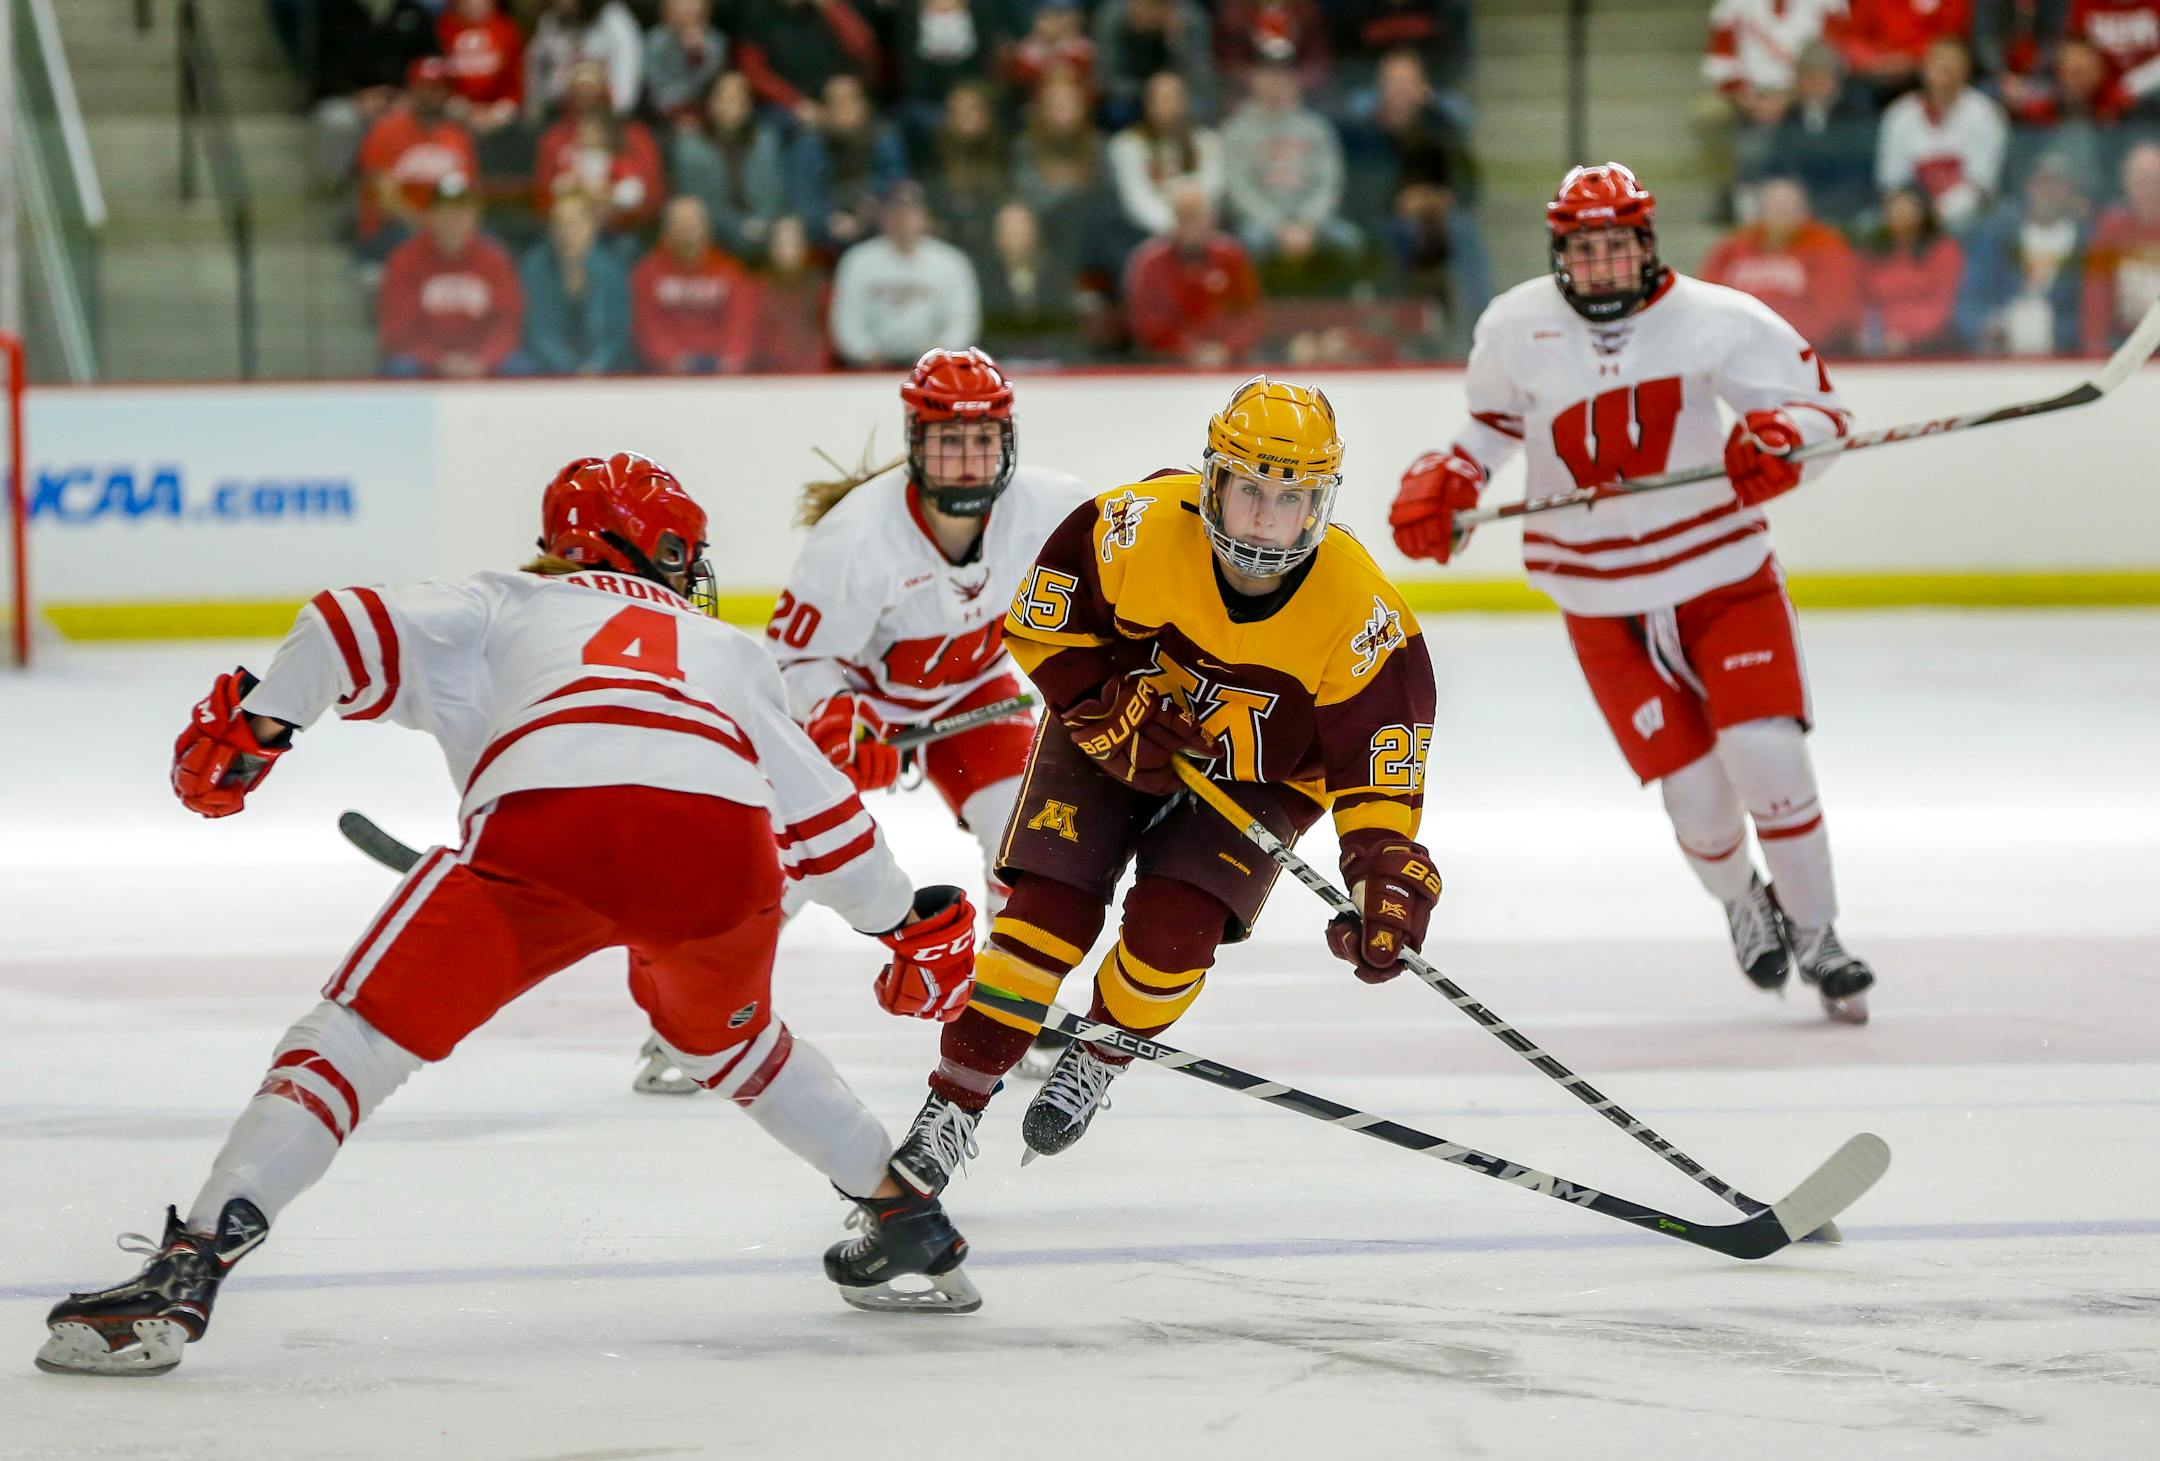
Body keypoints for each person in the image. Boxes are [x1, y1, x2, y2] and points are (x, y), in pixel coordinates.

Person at [35, 453, 987, 1377]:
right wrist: (901, 918)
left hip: (548, 830)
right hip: (723, 859)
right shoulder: (727, 649)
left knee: (354, 1039)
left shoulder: (503, 603)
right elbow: (821, 812)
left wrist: (258, 731)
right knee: (738, 1048)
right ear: (660, 554)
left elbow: (338, 624)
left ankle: (190, 1267)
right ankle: (906, 1217)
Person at [879, 376, 1439, 1196]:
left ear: (1320, 505)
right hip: (1118, 731)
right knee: (1046, 915)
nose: (1264, 516)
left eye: (1290, 498)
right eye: (1249, 489)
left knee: (1173, 938)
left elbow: (1379, 774)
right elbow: (1041, 621)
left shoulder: (1362, 616)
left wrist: (1384, 871)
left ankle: (1102, 1050)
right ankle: (954, 1102)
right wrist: (1099, 706)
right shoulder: (1132, 527)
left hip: (1262, 778)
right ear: (1213, 479)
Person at [1387, 162, 1876, 1024]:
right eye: (1586, 250)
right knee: (1694, 794)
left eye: (1618, 247)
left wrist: (1782, 440)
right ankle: (1741, 902)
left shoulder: (1717, 319)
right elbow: (1492, 424)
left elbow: (1818, 410)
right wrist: (1451, 475)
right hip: (1599, 594)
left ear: (1647, 245)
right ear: (1559, 252)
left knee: (1768, 753)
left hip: (1722, 574)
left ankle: (1819, 930)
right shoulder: (1515, 323)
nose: (1604, 266)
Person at [636, 349, 1091, 1095]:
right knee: (795, 858)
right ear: (916, 441)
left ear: (1007, 441)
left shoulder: (1057, 509)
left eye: (983, 440)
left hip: (976, 697)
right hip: (867, 710)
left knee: (1027, 839)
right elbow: (789, 663)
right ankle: (690, 1018)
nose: (969, 461)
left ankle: (1012, 1008)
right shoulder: (856, 538)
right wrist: (836, 716)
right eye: (950, 440)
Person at [377, 175, 525, 378]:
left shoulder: (495, 260)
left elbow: (507, 324)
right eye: (447, 212)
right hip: (424, 362)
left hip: (482, 360)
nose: (454, 220)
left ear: (475, 216)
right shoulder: (405, 260)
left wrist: (483, 359)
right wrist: (439, 360)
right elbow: (398, 331)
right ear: (431, 216)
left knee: (520, 367)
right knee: (400, 367)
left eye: (462, 212)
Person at [1699, 176, 1862, 354]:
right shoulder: (1733, 248)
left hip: (1802, 352)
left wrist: (1784, 338)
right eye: (1776, 208)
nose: (1782, 215)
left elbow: (1836, 310)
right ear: (1762, 211)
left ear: (1803, 210)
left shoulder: (1826, 246)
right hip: (1738, 352)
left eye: (1788, 208)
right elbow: (1708, 299)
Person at [828, 181, 982, 368]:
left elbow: (961, 323)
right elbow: (847, 322)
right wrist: (866, 353)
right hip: (870, 370)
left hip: (936, 370)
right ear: (883, 216)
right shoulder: (858, 261)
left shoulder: (951, 263)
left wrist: (938, 355)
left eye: (911, 212)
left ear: (925, 216)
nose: (904, 219)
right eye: (896, 211)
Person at [1121, 179, 1261, 366]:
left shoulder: (1231, 256)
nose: (1190, 224)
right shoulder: (1149, 262)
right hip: (1166, 363)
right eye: (1184, 216)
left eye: (1196, 216)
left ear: (1211, 218)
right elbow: (1145, 321)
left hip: (1228, 361)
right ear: (1173, 218)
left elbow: (1248, 314)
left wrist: (1226, 348)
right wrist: (1187, 349)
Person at [1876, 36, 2009, 230]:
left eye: (1952, 68)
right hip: (1910, 217)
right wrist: (1915, 213)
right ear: (1925, 70)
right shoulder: (1900, 115)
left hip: (1970, 219)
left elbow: (1982, 183)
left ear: (1965, 73)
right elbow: (1892, 181)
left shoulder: (1986, 115)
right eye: (1939, 66)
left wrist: (1939, 214)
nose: (1945, 75)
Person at [632, 196, 759, 373]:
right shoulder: (648, 274)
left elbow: (741, 322)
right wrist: (671, 359)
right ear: (666, 231)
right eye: (680, 226)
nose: (687, 233)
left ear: (706, 228)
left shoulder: (731, 272)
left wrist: (731, 358)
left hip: (722, 371)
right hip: (668, 374)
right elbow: (648, 326)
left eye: (692, 226)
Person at [520, 195, 634, 376]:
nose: (568, 232)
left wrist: (595, 365)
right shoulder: (534, 268)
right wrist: (571, 369)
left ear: (592, 228)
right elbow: (537, 331)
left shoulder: (611, 271)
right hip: (549, 367)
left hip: (602, 368)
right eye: (561, 225)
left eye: (576, 224)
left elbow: (616, 333)